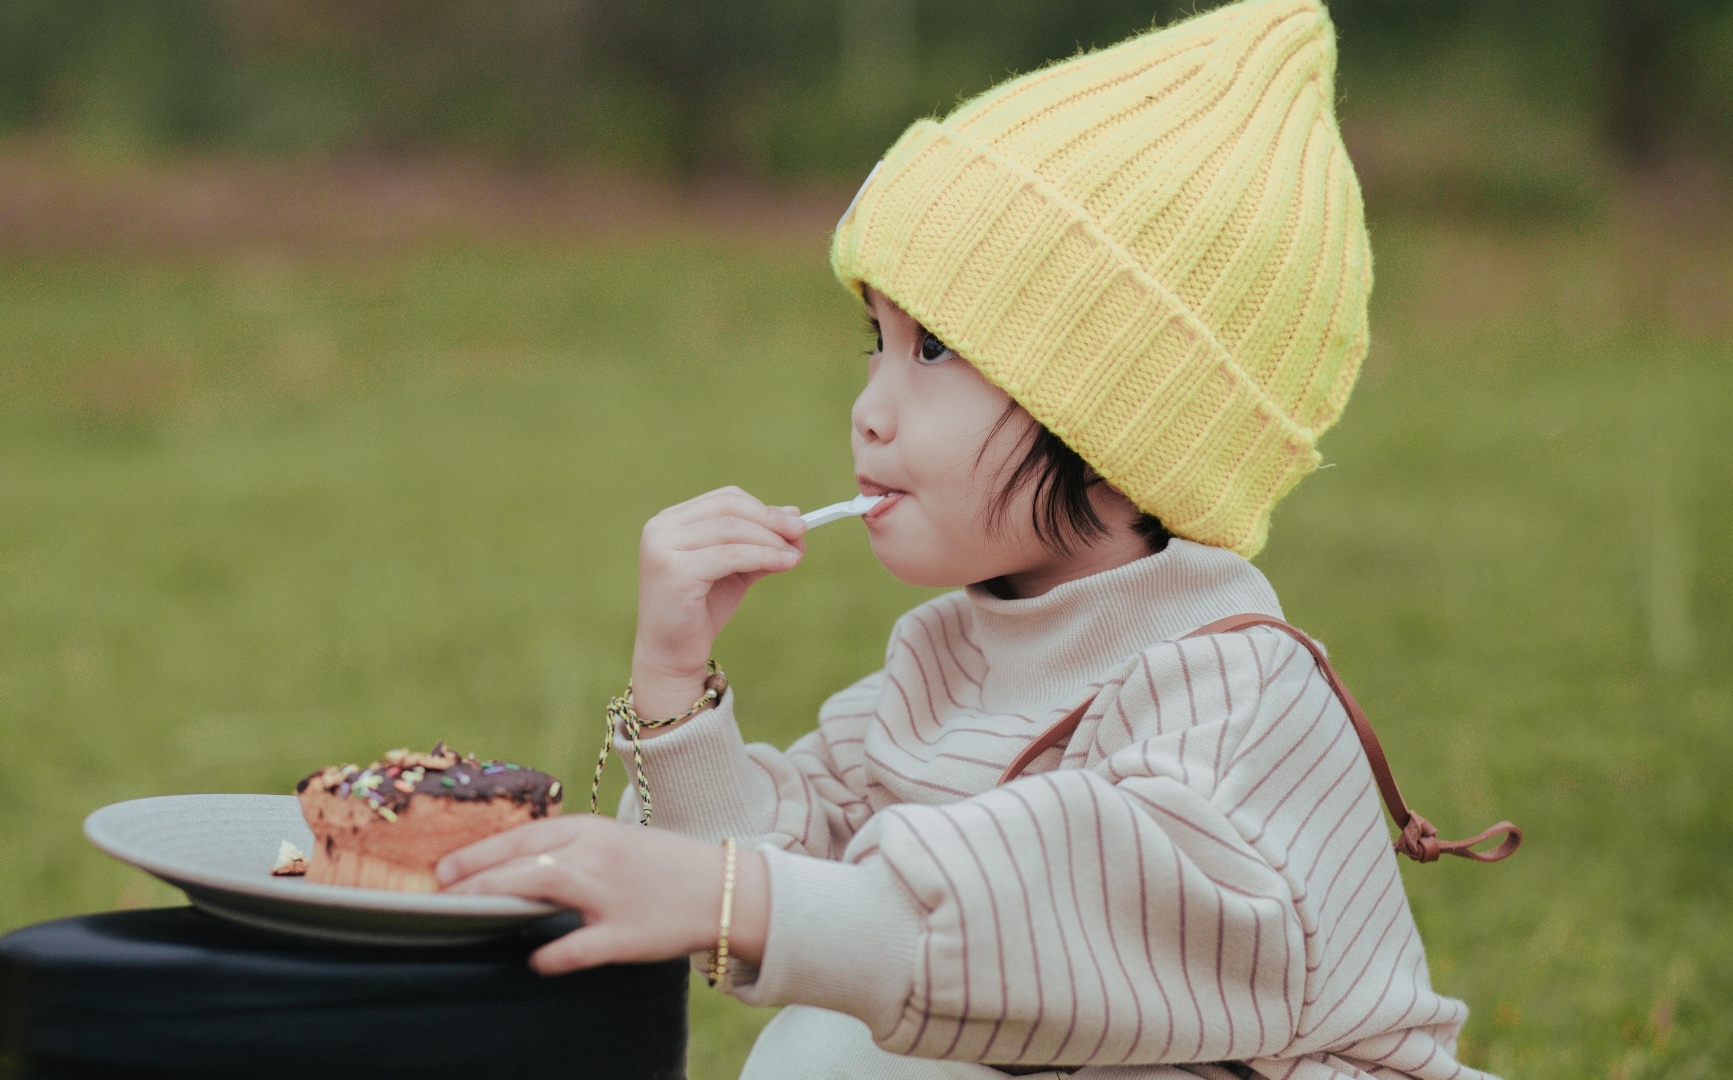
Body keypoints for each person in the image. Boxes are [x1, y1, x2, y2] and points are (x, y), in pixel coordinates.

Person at [437, 1, 1510, 1076]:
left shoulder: (1237, 692)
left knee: (843, 1057)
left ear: (1113, 416)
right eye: (878, 341)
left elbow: (1056, 924)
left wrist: (743, 898)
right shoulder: (945, 662)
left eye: (936, 350)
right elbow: (786, 880)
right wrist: (673, 693)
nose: (870, 405)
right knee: (834, 1042)